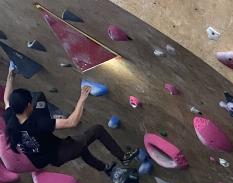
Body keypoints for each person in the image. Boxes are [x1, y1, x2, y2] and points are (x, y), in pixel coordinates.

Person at [3, 64, 136, 174]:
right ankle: (123, 157)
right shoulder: (38, 124)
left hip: (45, 156)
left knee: (81, 148)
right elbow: (72, 122)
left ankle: (105, 169)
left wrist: (11, 74)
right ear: (27, 106)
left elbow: (6, 99)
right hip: (60, 152)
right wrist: (82, 98)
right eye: (31, 102)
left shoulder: (11, 118)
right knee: (97, 131)